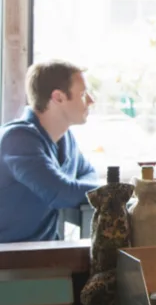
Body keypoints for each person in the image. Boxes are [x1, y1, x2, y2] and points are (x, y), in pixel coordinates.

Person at [0, 60, 100, 242]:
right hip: (9, 260)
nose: (91, 101)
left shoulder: (65, 138)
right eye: (83, 94)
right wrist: (114, 191)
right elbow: (61, 192)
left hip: (43, 257)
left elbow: (89, 173)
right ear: (58, 97)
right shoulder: (17, 138)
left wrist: (76, 187)